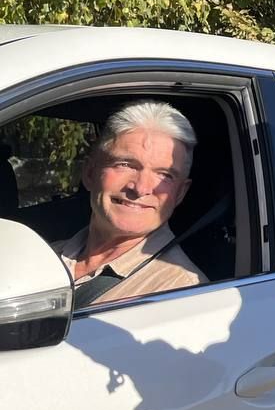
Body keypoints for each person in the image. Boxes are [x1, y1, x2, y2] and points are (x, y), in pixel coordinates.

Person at [54, 101, 206, 306]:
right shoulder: (46, 254)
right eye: (125, 164)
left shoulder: (184, 294)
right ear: (90, 173)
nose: (141, 188)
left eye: (164, 175)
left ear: (180, 193)